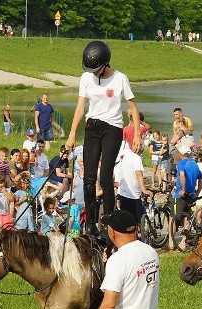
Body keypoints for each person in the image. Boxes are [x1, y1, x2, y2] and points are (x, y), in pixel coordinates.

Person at [66, 40, 142, 238]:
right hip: (92, 127)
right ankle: (90, 224)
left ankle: (109, 222)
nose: (94, 73)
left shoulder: (120, 79)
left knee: (106, 176)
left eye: (97, 69)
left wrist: (137, 135)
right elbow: (80, 107)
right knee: (89, 178)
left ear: (106, 63)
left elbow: (132, 107)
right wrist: (72, 134)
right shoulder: (86, 78)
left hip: (112, 128)